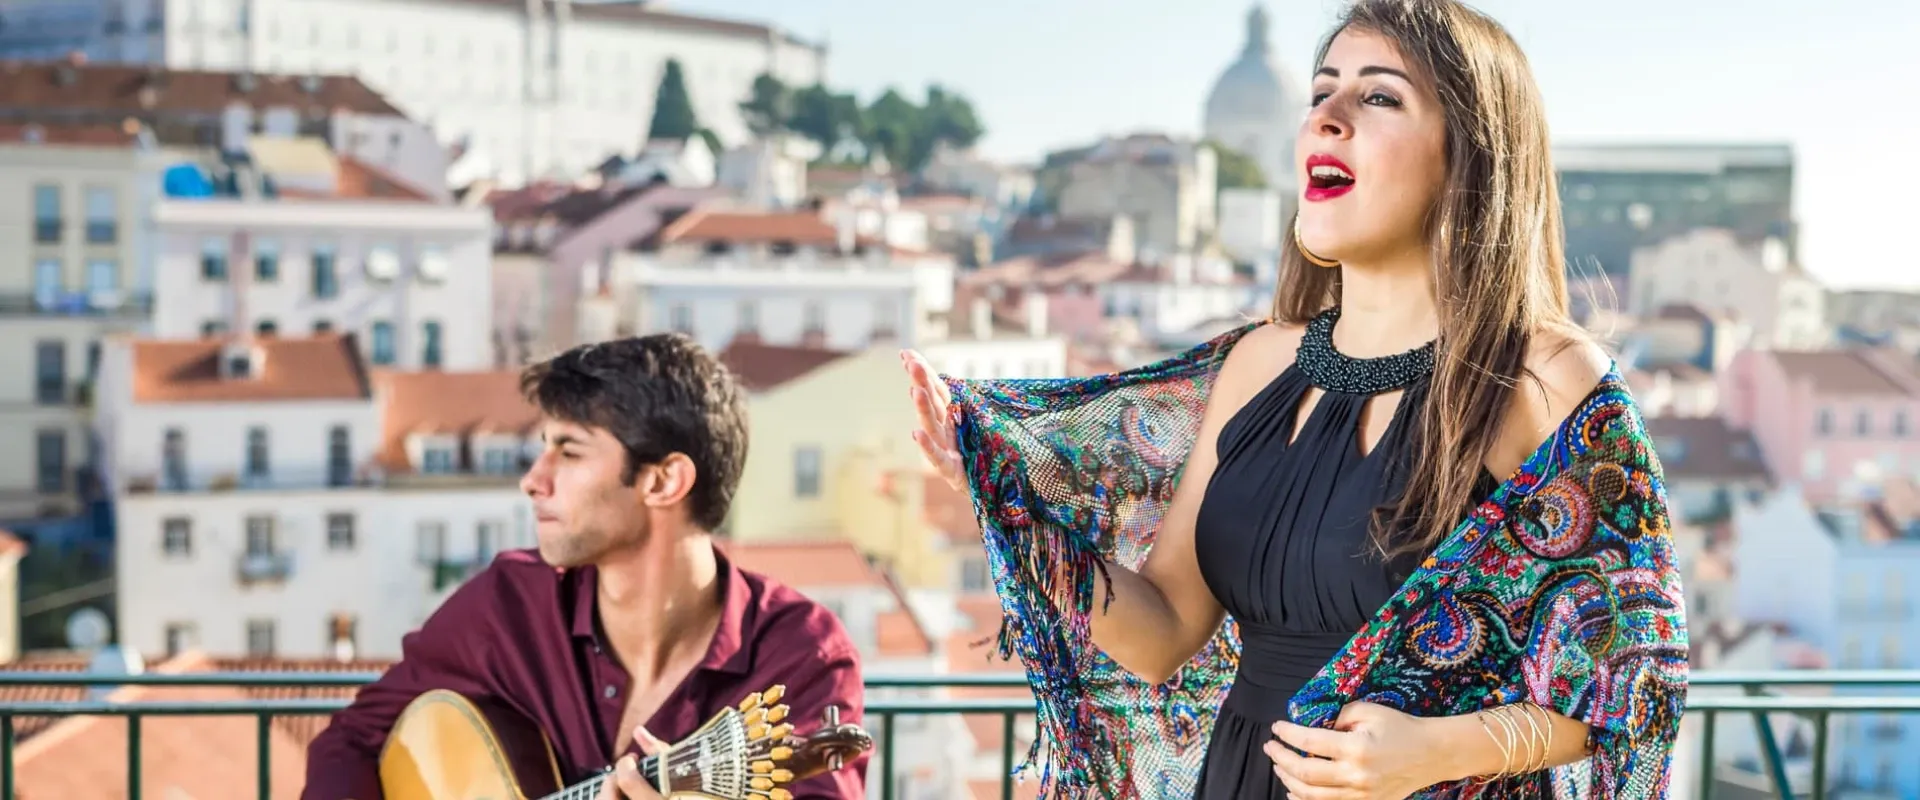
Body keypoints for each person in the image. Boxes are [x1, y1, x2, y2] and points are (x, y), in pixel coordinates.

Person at [902, 1, 1686, 798]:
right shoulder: (1257, 363)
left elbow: (1639, 687)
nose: (1328, 117)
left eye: (1378, 97)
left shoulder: (1544, 376)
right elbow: (1163, 630)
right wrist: (999, 505)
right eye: (1321, 94)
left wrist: (1439, 749)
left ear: (1469, 156)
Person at [303, 334, 867, 800]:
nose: (534, 480)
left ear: (662, 481)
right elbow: (348, 744)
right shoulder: (507, 605)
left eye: (569, 453)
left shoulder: (800, 656)